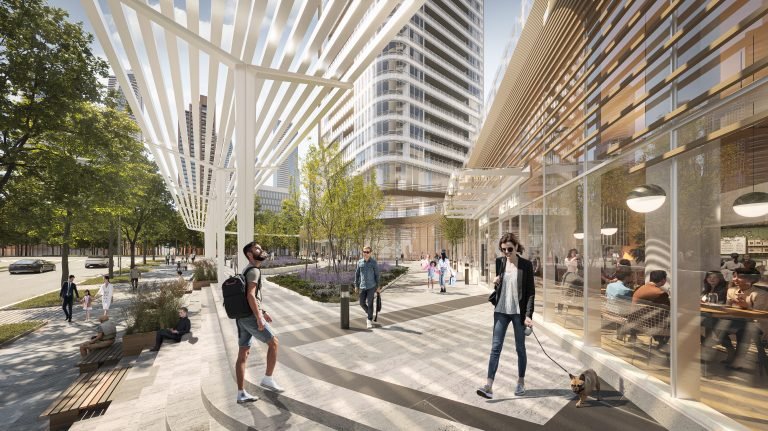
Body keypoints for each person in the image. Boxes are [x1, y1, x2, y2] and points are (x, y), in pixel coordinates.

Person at [477, 232, 535, 399]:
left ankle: (521, 382)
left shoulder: (526, 265)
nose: (507, 253)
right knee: (495, 348)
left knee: (520, 348)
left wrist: (528, 315)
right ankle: (488, 386)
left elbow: (531, 292)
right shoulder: (500, 262)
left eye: (510, 249)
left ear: (516, 247)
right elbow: (500, 287)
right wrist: (496, 282)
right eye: (503, 250)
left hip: (518, 313)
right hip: (501, 311)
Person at [235, 242, 283, 404]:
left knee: (243, 353)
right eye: (257, 248)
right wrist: (258, 317)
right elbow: (250, 295)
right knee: (274, 343)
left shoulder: (247, 269)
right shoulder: (254, 271)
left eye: (261, 248)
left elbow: (248, 296)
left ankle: (241, 393)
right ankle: (268, 378)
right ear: (249, 254)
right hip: (249, 317)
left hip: (241, 317)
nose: (261, 250)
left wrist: (262, 311)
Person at [720, 268, 768, 370]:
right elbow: (727, 308)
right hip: (736, 320)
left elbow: (758, 315)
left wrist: (746, 306)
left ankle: (739, 360)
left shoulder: (761, 294)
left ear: (750, 279)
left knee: (744, 330)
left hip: (757, 323)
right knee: (714, 323)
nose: (735, 279)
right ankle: (730, 351)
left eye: (739, 277)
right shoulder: (731, 290)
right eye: (734, 276)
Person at [355, 245, 381, 329]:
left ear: (370, 253)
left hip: (371, 286)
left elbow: (377, 275)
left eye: (367, 252)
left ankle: (369, 320)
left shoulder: (373, 262)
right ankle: (370, 313)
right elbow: (357, 274)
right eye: (364, 252)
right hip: (362, 286)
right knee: (361, 303)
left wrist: (378, 286)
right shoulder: (360, 262)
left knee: (370, 303)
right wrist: (356, 285)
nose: (365, 253)